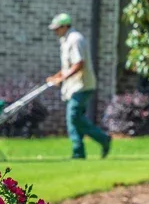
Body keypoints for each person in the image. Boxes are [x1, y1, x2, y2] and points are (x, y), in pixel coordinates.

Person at [46, 13, 111, 159]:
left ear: (65, 26)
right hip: (73, 87)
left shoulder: (75, 39)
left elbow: (79, 64)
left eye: (57, 28)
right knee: (75, 119)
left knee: (73, 117)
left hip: (82, 86)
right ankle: (79, 153)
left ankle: (101, 139)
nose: (55, 32)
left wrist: (62, 78)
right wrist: (57, 77)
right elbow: (68, 66)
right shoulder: (66, 40)